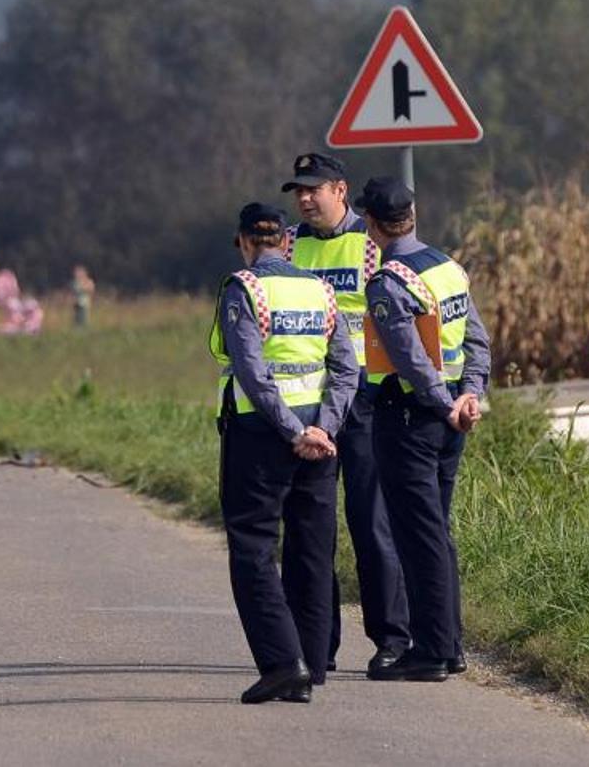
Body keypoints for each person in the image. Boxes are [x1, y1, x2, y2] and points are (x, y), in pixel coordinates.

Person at [209, 202, 359, 704]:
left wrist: (294, 430)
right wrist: (324, 428)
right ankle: (312, 665)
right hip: (321, 439)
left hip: (262, 437)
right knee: (311, 551)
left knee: (252, 549)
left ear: (245, 241)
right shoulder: (322, 290)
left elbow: (253, 373)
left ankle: (281, 663)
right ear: (284, 241)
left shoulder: (243, 288)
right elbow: (345, 369)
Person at [281, 152, 411, 674]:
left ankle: (392, 637)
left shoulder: (370, 242)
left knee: (370, 521)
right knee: (312, 529)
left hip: (364, 396)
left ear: (341, 190)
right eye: (299, 191)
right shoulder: (290, 244)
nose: (306, 199)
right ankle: (318, 644)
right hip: (312, 399)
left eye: (315, 189)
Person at [357, 176, 491, 682]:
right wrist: (469, 396)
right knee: (438, 530)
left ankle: (430, 651)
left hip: (412, 418)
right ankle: (449, 644)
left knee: (418, 535)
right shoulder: (448, 268)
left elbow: (409, 359)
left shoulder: (389, 282)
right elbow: (477, 339)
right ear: (411, 216)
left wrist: (443, 404)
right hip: (452, 416)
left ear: (371, 223)